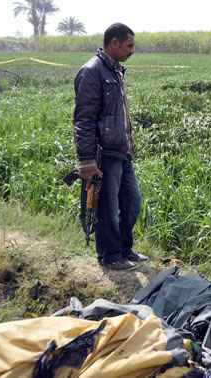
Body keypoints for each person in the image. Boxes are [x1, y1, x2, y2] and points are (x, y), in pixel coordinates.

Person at [73, 23, 148, 270]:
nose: (132, 50)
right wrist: (86, 160)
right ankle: (110, 256)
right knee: (108, 205)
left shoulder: (114, 70)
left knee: (132, 201)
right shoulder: (92, 72)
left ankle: (125, 249)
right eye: (129, 45)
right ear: (114, 43)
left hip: (121, 150)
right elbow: (83, 119)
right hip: (103, 154)